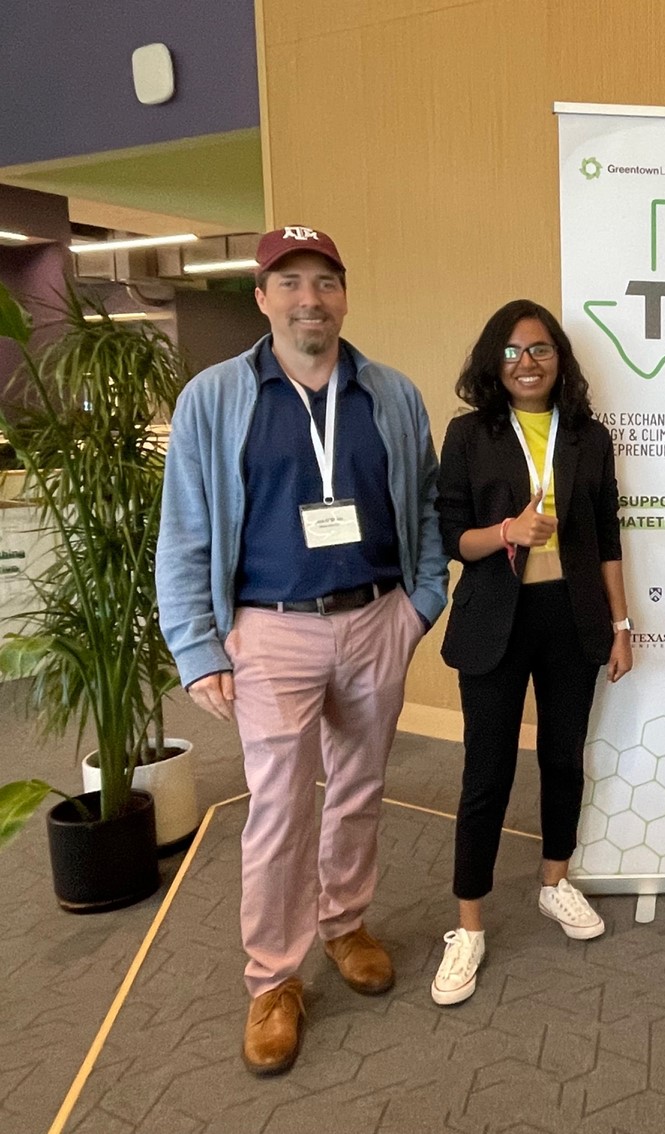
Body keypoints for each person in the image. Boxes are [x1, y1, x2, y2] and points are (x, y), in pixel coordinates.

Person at [157, 226, 448, 1073]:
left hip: (373, 618)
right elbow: (183, 532)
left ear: (344, 294)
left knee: (359, 787)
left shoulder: (388, 393)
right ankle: (272, 980)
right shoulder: (217, 396)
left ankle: (345, 923)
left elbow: (426, 509)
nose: (308, 298)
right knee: (279, 808)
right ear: (262, 298)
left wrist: (420, 603)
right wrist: (198, 647)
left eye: (324, 281)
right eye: (290, 284)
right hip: (271, 627)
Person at [429, 300, 632, 1006]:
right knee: (484, 773)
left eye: (539, 349)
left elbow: (605, 537)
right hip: (495, 620)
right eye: (512, 351)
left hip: (571, 619)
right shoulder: (467, 435)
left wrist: (622, 624)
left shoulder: (589, 438)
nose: (526, 362)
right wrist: (508, 531)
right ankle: (469, 925)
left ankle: (554, 880)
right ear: (495, 361)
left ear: (559, 359)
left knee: (562, 758)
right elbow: (453, 537)